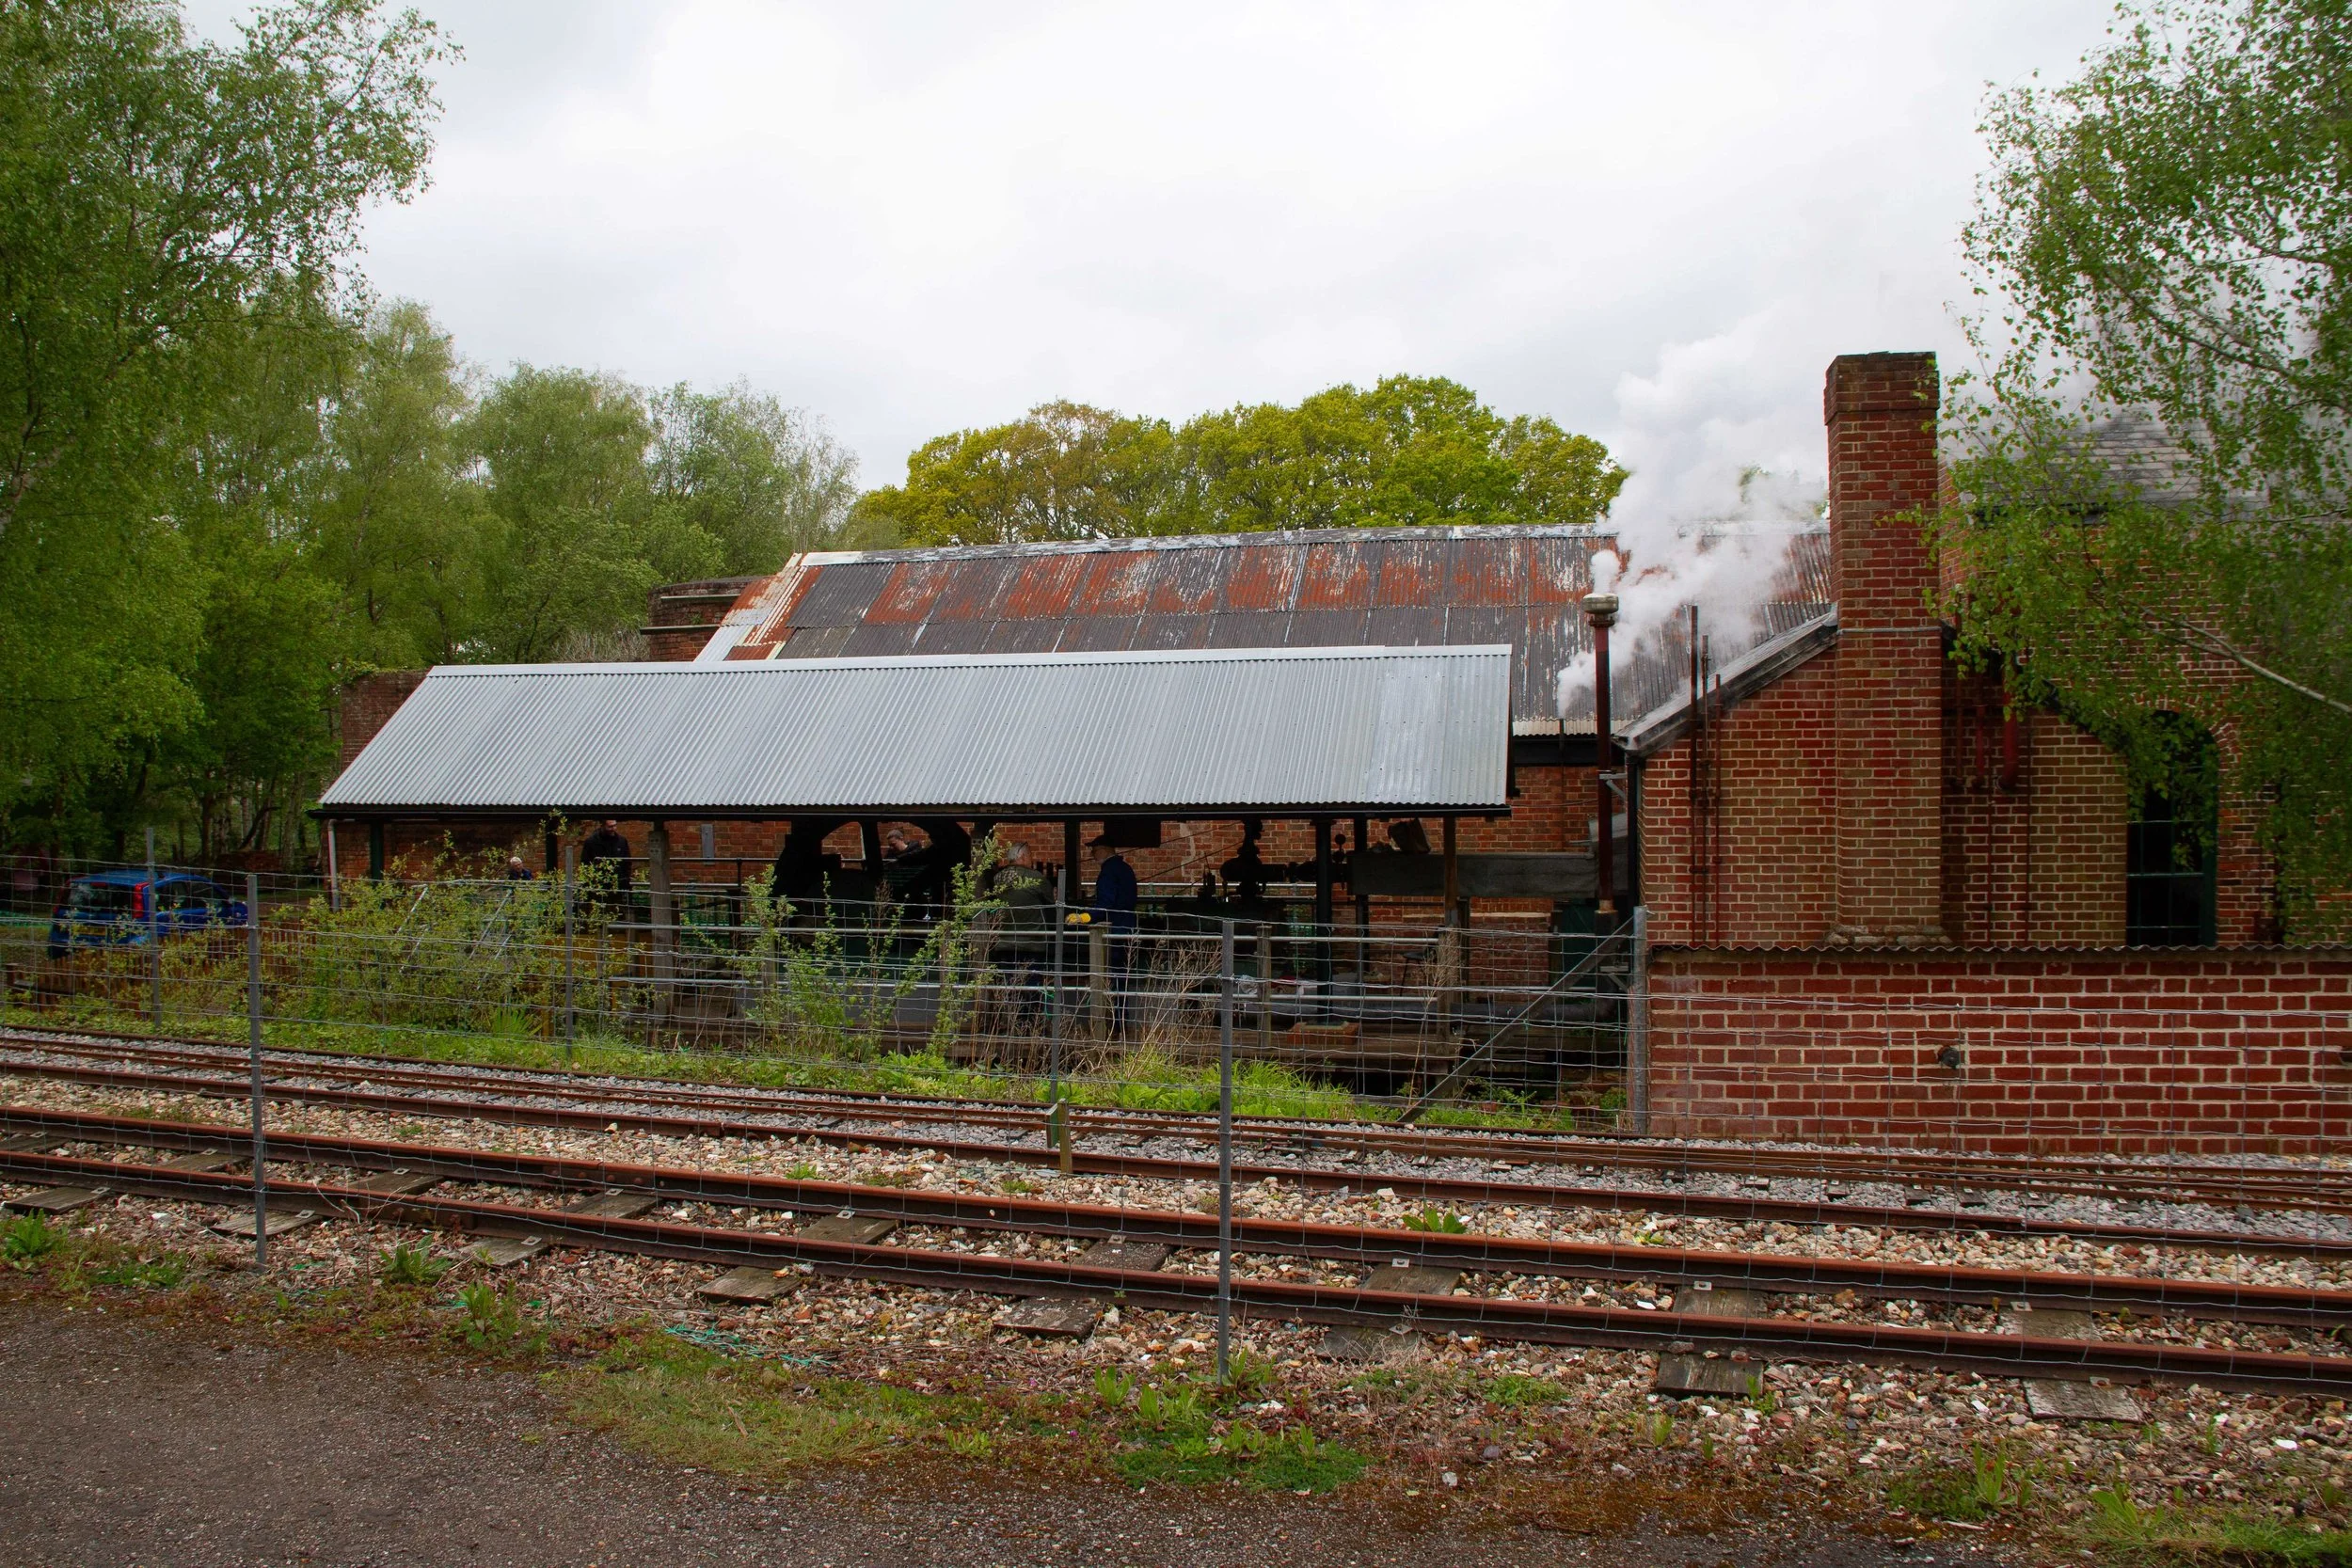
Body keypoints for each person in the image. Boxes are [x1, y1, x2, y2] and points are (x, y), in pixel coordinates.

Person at [1089, 836, 1139, 1035]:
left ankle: (1114, 1025)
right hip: (1127, 927)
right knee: (1122, 977)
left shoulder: (1109, 872)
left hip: (1114, 929)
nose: (1092, 856)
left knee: (1113, 976)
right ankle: (1120, 1021)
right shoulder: (1125, 869)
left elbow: (1105, 903)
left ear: (1103, 850)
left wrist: (1086, 917)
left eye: (1094, 851)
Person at [580, 820, 632, 907]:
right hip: (599, 883)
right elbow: (585, 862)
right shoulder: (591, 842)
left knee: (617, 908)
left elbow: (627, 862)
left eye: (615, 826)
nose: (613, 829)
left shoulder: (622, 841)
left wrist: (625, 880)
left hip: (617, 882)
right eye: (610, 827)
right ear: (602, 826)